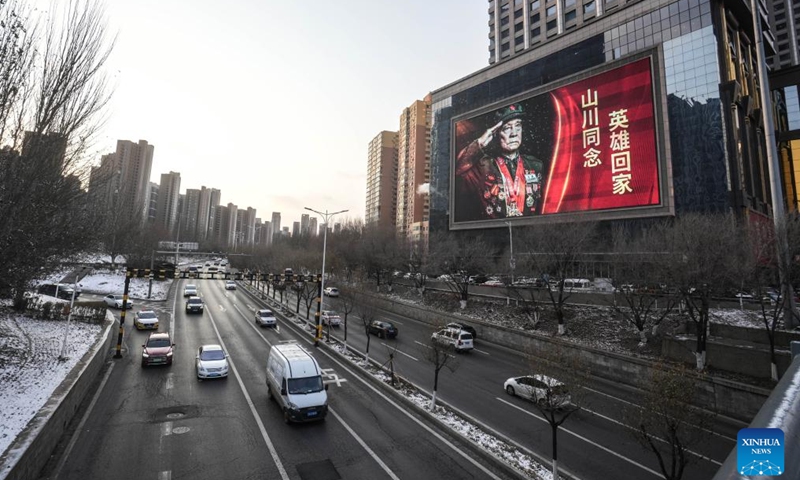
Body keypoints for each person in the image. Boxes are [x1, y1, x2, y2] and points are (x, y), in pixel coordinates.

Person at [455, 103, 545, 219]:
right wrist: (479, 144)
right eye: (507, 128)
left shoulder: (535, 165)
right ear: (496, 133)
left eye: (518, 126)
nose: (514, 133)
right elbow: (457, 170)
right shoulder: (483, 166)